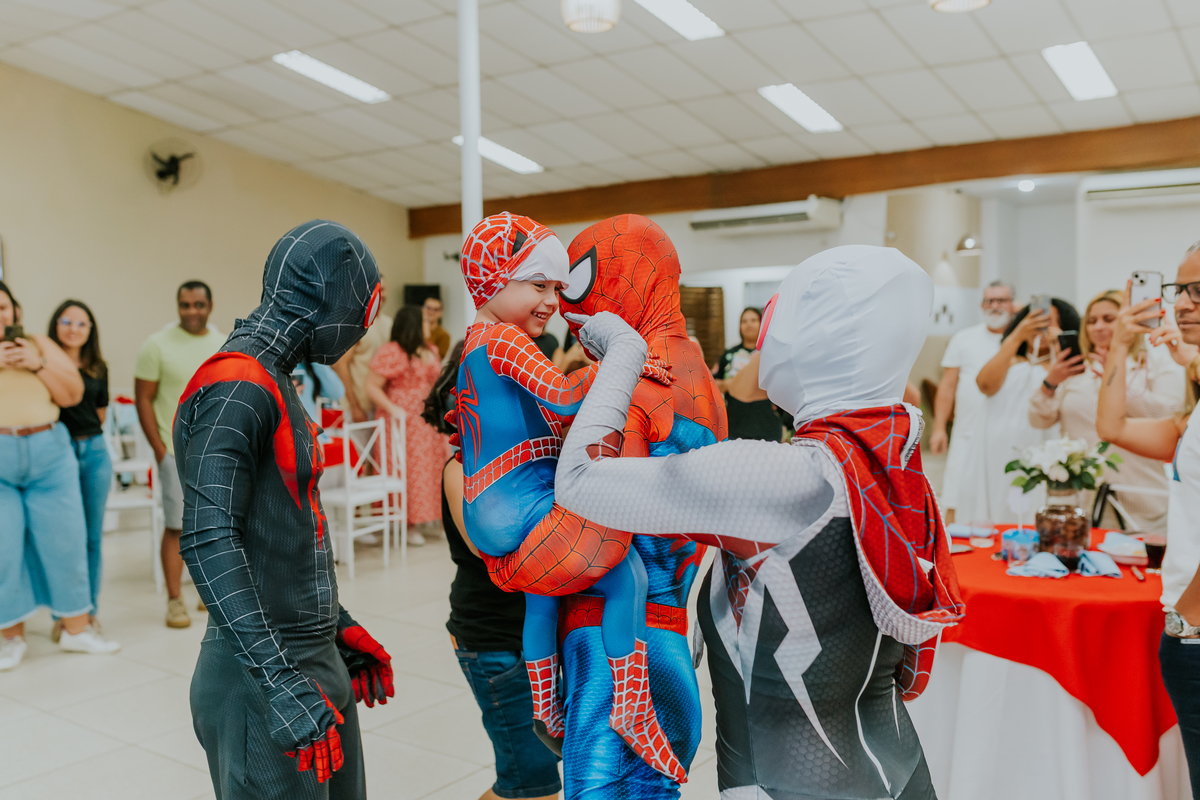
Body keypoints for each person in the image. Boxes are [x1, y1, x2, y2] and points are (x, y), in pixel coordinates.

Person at [551, 245, 963, 800]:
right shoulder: (901, 473)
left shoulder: (778, 477)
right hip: (900, 768)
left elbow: (578, 480)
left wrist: (623, 349)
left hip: (786, 786)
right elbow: (903, 672)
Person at [485, 214, 725, 797]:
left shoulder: (624, 384)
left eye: (574, 284)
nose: (565, 305)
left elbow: (589, 506)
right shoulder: (702, 381)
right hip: (670, 630)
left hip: (612, 653)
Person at [174, 219, 394, 798]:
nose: (363, 326)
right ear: (332, 299)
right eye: (365, 305)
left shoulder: (275, 378)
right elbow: (207, 537)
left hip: (307, 656)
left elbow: (284, 527)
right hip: (261, 676)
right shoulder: (237, 386)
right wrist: (278, 680)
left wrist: (333, 626)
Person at [428, 342, 563, 800]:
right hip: (493, 642)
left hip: (526, 639)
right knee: (533, 786)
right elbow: (493, 555)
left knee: (528, 783)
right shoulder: (461, 468)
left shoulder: (537, 458)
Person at [1095, 247, 1200, 799]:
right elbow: (1111, 424)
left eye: (1197, 291)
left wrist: (1188, 620)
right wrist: (1119, 344)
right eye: (1178, 291)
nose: (1181, 304)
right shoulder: (1192, 416)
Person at [0, 282, 120, 671]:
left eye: (2, 307)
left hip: (50, 454)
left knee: (67, 542)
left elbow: (72, 394)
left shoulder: (39, 344)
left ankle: (76, 629)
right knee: (4, 548)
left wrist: (35, 364)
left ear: (15, 311)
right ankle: (9, 637)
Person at [1030, 289, 1184, 531]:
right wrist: (1050, 383)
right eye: (1091, 321)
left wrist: (1114, 383)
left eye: (1109, 319)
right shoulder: (1079, 371)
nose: (1098, 327)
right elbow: (1039, 420)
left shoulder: (1157, 365)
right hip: (1083, 503)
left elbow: (1169, 417)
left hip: (1142, 502)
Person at [134, 279, 223, 629]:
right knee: (177, 527)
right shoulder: (156, 345)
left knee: (216, 525)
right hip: (174, 452)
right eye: (185, 305)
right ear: (178, 306)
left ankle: (208, 593)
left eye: (198, 305)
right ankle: (175, 600)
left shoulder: (221, 344)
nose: (192, 312)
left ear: (210, 306)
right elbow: (143, 398)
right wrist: (159, 449)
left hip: (215, 452)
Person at [956, 297, 1081, 525]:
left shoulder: (1065, 367)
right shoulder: (1011, 358)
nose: (1040, 325)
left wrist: (1058, 343)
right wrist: (1017, 335)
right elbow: (985, 385)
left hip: (1043, 447)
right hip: (996, 449)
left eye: (1048, 320)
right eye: (1034, 319)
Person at [48, 299, 113, 636]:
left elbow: (100, 415)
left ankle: (88, 611)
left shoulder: (98, 367)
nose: (73, 329)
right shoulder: (43, 363)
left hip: (96, 453)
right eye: (66, 321)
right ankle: (64, 613)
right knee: (63, 539)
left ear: (90, 331)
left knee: (90, 538)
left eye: (81, 323)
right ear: (55, 325)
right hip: (58, 452)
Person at [931, 281, 1015, 522]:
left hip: (1006, 437)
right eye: (990, 301)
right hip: (966, 434)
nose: (995, 306)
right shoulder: (964, 338)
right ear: (982, 305)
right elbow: (947, 387)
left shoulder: (1023, 341)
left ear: (1013, 305)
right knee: (955, 498)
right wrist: (939, 428)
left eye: (1002, 300)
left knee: (1002, 502)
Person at [366, 305, 447, 546]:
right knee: (407, 470)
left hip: (427, 420)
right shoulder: (391, 352)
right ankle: (407, 523)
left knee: (431, 469)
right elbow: (371, 386)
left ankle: (435, 518)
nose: (428, 324)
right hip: (400, 421)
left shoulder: (429, 350)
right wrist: (394, 409)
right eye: (423, 320)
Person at [713, 307, 782, 441]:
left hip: (767, 426)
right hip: (734, 426)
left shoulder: (771, 354)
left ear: (761, 323)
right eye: (744, 321)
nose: (748, 324)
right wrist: (730, 384)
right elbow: (714, 384)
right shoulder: (729, 355)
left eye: (753, 320)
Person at [332, 278, 393, 424]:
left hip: (383, 406)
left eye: (383, 289)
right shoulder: (356, 324)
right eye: (376, 290)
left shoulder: (389, 323)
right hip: (361, 406)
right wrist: (355, 407)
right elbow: (340, 365)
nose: (380, 294)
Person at [423, 295, 450, 360]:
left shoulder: (444, 335)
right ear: (422, 308)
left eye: (435, 309)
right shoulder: (413, 330)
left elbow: (437, 360)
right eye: (428, 308)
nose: (431, 312)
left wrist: (427, 334)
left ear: (441, 313)